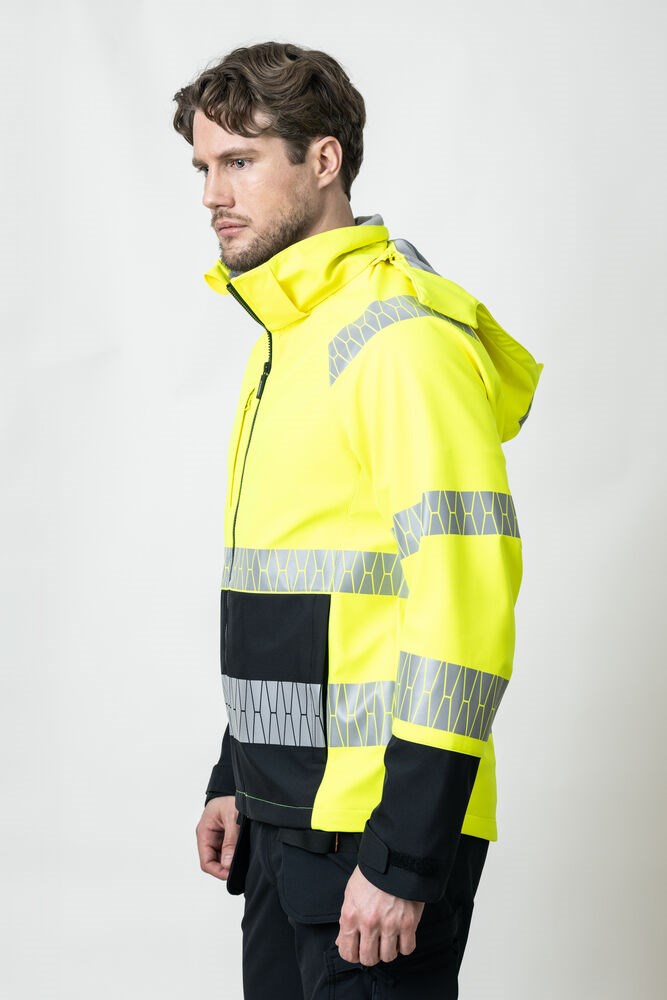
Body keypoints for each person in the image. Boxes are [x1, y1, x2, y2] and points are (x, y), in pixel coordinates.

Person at [173, 40, 542, 1000]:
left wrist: (406, 856)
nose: (213, 193)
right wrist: (236, 775)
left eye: (240, 160)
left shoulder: (396, 339)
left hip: (373, 839)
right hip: (283, 822)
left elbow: (465, 609)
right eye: (204, 167)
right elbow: (295, 597)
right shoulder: (290, 341)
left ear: (324, 160)